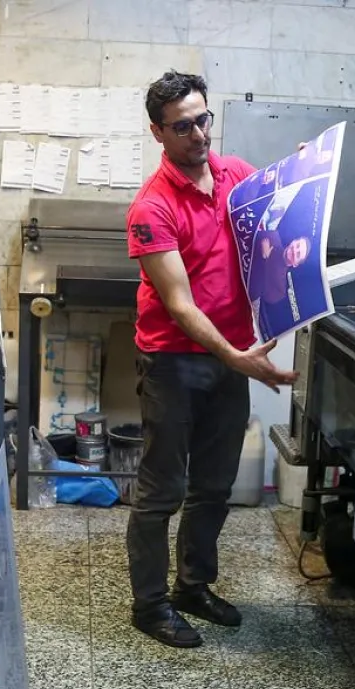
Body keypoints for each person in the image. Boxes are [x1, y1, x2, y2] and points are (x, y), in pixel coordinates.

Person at [124, 71, 298, 648]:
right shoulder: (152, 207)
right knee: (161, 491)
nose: (199, 134)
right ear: (158, 132)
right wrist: (236, 357)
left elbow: (282, 214)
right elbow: (178, 305)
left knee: (214, 485)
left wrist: (306, 173)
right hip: (173, 360)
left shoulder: (236, 174)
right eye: (183, 127)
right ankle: (149, 605)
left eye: (203, 120)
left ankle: (192, 586)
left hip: (230, 356)